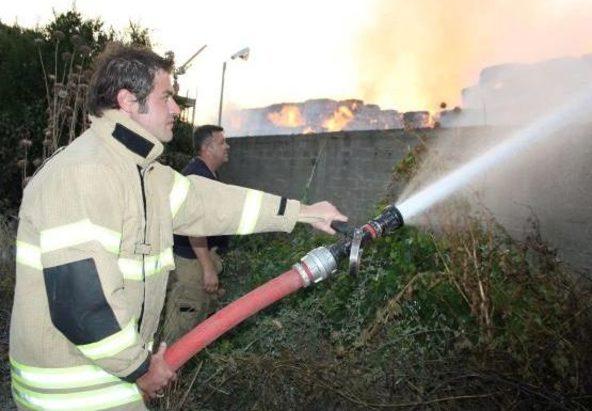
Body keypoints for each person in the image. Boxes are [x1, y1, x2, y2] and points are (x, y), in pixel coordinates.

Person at [9, 44, 346, 410]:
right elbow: (83, 301)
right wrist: (139, 368)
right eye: (166, 96)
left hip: (107, 386)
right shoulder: (84, 173)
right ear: (128, 100)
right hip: (71, 396)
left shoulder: (143, 174)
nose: (175, 108)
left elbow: (211, 204)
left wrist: (302, 212)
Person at [164, 125, 231, 344]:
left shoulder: (207, 174)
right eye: (222, 142)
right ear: (207, 148)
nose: (227, 146)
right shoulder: (197, 178)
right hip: (193, 263)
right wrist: (208, 268)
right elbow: (195, 229)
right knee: (184, 325)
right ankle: (168, 370)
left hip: (199, 261)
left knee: (198, 320)